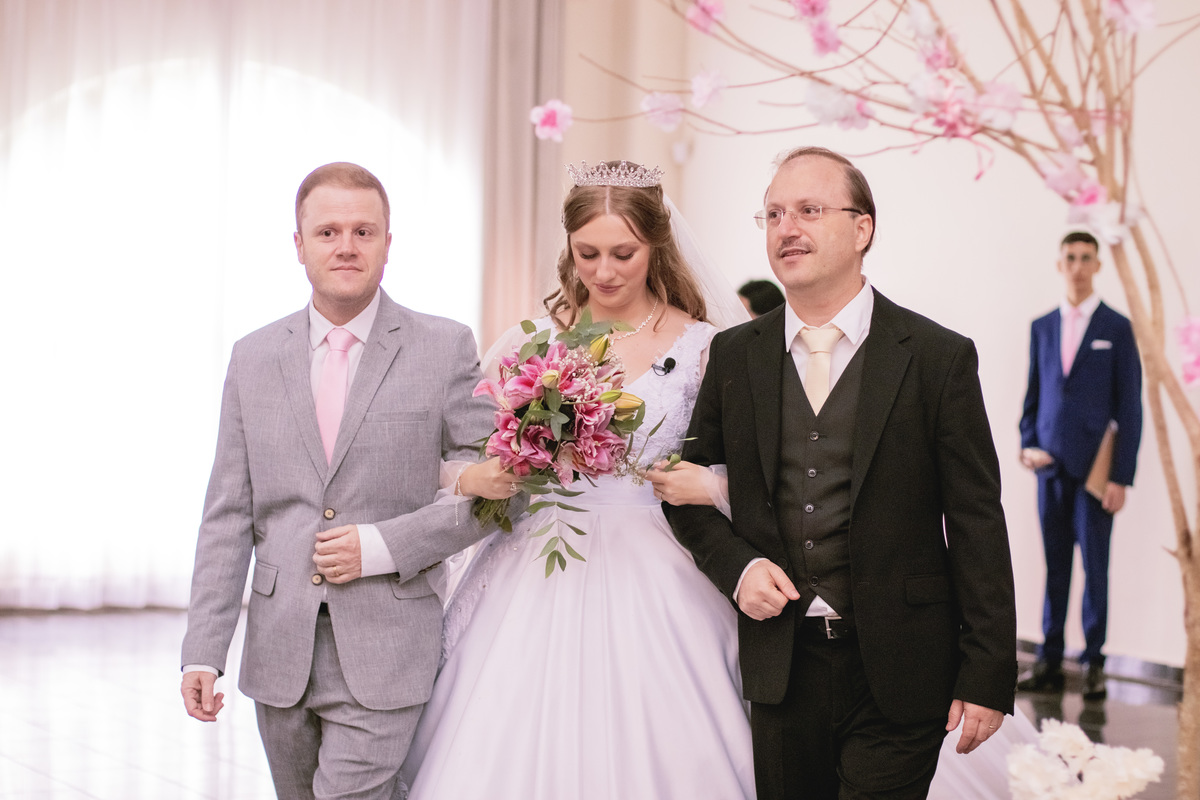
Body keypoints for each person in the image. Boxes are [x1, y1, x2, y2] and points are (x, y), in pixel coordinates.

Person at [662, 146, 1018, 800]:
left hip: (903, 666)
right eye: (773, 214)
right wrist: (738, 568)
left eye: (809, 210)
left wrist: (988, 671)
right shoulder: (735, 356)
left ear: (862, 229)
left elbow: (976, 520)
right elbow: (683, 493)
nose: (786, 228)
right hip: (781, 665)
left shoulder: (936, 358)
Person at [397, 160, 757, 799]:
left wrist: (701, 482)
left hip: (660, 554)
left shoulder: (705, 347)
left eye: (623, 253)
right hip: (541, 549)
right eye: (587, 253)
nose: (604, 271)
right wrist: (492, 470)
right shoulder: (533, 342)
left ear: (656, 245)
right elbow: (458, 459)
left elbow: (743, 469)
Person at [180, 162, 500, 799]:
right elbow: (228, 513)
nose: (346, 246)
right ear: (299, 245)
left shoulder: (445, 347)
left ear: (388, 242)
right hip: (279, 654)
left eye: (363, 231)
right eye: (328, 232)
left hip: (390, 646)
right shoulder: (253, 356)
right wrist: (203, 649)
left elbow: (494, 495)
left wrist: (382, 546)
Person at [1017, 231, 1143, 701]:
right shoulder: (1042, 326)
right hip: (1050, 469)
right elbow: (1034, 393)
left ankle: (1093, 664)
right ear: (1060, 264)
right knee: (1054, 569)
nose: (1077, 266)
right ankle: (1049, 661)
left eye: (1086, 258)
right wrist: (1027, 443)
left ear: (1098, 265)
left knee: (1095, 569)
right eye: (1070, 257)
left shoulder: (1117, 327)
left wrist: (1120, 477)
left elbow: (1130, 407)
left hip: (1095, 474)